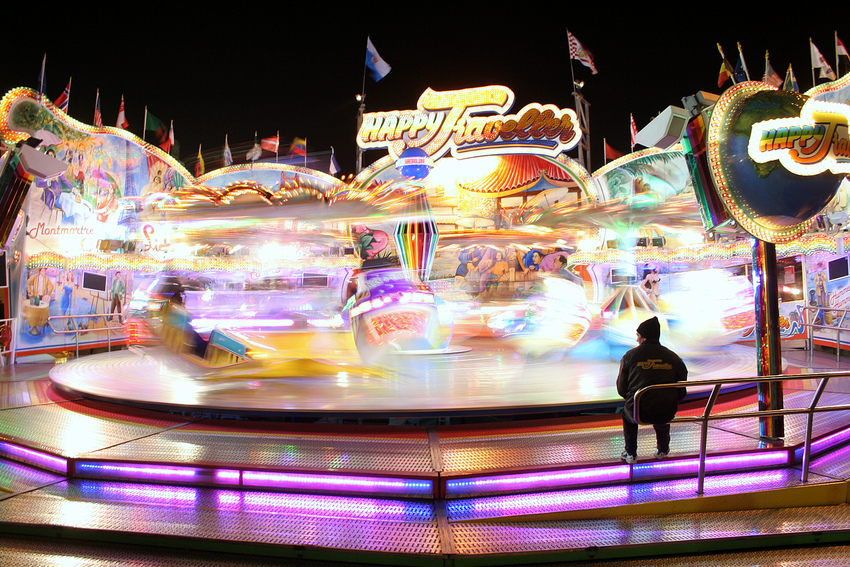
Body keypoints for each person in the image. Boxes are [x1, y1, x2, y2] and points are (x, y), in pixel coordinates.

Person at [616, 316, 687, 463]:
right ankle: (662, 449)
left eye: (638, 336)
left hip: (638, 409)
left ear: (643, 337)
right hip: (666, 410)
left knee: (628, 416)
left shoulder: (630, 356)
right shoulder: (673, 357)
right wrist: (671, 400)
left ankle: (631, 453)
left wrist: (631, 398)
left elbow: (622, 387)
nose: (637, 339)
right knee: (662, 415)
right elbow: (682, 389)